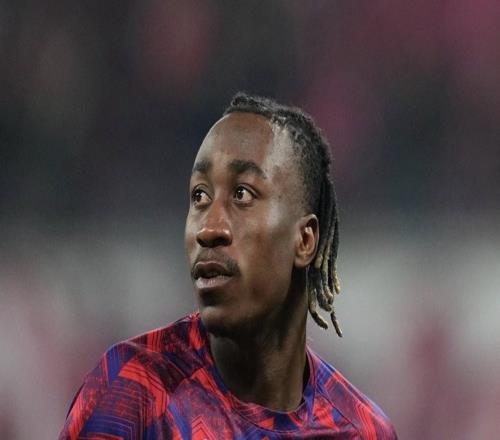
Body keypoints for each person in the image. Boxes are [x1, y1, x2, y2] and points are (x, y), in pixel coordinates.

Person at [59, 93, 397, 439]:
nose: (209, 229)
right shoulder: (134, 392)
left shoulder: (361, 431)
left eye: (242, 195)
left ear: (305, 240)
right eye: (200, 196)